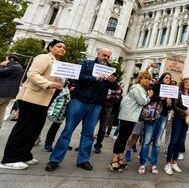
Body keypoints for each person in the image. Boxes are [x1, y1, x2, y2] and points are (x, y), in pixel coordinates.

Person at [45, 48, 118, 171]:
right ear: (98, 54)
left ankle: (83, 160)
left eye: (108, 57)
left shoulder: (111, 70)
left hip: (96, 104)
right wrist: (95, 79)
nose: (106, 58)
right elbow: (78, 76)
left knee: (88, 133)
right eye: (104, 55)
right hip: (79, 100)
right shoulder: (86, 63)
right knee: (68, 130)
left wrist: (113, 81)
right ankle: (55, 160)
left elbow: (113, 87)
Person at [0, 40, 65, 170]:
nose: (63, 49)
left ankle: (24, 155)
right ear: (50, 47)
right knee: (23, 128)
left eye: (64, 47)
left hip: (43, 101)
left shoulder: (57, 63)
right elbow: (32, 74)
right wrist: (48, 83)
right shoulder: (43, 58)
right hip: (32, 98)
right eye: (59, 46)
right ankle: (9, 159)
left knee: (34, 129)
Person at [109, 71, 152, 172]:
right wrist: (149, 96)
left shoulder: (140, 89)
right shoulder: (137, 88)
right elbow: (142, 101)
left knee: (124, 138)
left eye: (149, 79)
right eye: (145, 78)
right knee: (121, 138)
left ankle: (120, 156)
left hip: (131, 116)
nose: (147, 80)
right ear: (140, 79)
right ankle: (114, 159)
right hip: (128, 115)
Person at [138, 73, 173, 174]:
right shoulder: (156, 85)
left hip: (163, 116)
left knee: (157, 142)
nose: (168, 79)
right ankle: (143, 163)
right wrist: (160, 98)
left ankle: (154, 163)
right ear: (162, 78)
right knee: (147, 140)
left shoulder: (171, 90)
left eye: (169, 78)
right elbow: (149, 98)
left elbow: (170, 107)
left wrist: (169, 103)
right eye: (166, 77)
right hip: (152, 115)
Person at [164, 77, 189, 175]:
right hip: (178, 119)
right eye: (186, 82)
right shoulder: (179, 93)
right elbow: (174, 106)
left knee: (180, 141)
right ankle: (168, 163)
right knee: (174, 140)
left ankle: (174, 162)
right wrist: (184, 111)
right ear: (183, 83)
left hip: (185, 120)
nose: (187, 84)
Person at [94, 83, 123, 154]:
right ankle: (84, 145)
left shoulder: (116, 86)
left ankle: (98, 145)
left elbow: (118, 97)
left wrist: (107, 97)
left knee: (103, 128)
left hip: (107, 108)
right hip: (97, 105)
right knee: (90, 126)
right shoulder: (102, 82)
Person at [0, 54, 24, 129]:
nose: (5, 61)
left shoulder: (14, 66)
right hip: (9, 94)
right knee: (1, 111)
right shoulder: (19, 67)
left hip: (2, 92)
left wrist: (1, 65)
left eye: (6, 60)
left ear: (11, 60)